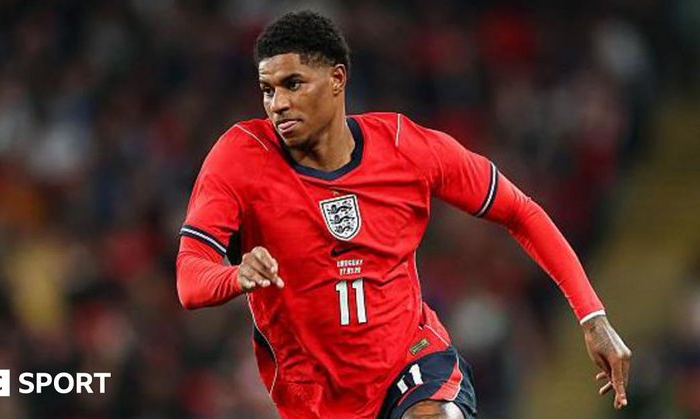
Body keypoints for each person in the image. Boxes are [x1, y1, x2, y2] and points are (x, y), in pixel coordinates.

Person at [175, 10, 631, 419]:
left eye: (293, 84)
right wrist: (236, 276)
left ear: (337, 79)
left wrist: (593, 318)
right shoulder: (241, 156)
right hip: (314, 400)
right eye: (267, 90)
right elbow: (189, 280)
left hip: (412, 364)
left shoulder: (405, 147)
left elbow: (519, 211)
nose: (277, 104)